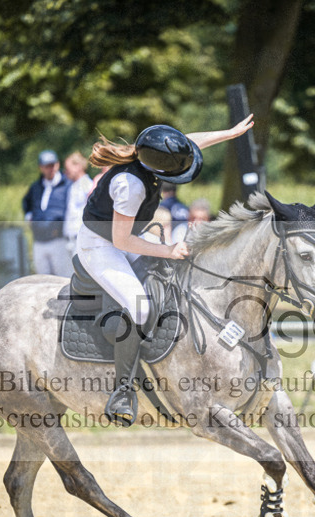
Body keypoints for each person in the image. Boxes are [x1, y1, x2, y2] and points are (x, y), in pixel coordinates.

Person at [79, 115, 254, 426]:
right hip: (101, 245)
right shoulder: (129, 184)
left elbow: (190, 142)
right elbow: (121, 240)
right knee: (140, 306)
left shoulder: (150, 154)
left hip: (128, 236)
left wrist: (229, 134)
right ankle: (122, 392)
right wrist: (168, 250)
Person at [22, 149, 73, 277]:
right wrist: (29, 216)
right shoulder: (36, 187)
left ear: (57, 165)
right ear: (41, 167)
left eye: (52, 165)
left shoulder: (67, 185)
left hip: (58, 239)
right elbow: (26, 202)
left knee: (62, 279)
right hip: (39, 240)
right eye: (46, 166)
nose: (50, 169)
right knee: (42, 280)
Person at [62, 151, 93, 254]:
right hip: (70, 239)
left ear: (78, 166)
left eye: (68, 168)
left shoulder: (87, 185)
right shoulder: (73, 186)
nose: (66, 172)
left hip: (80, 238)